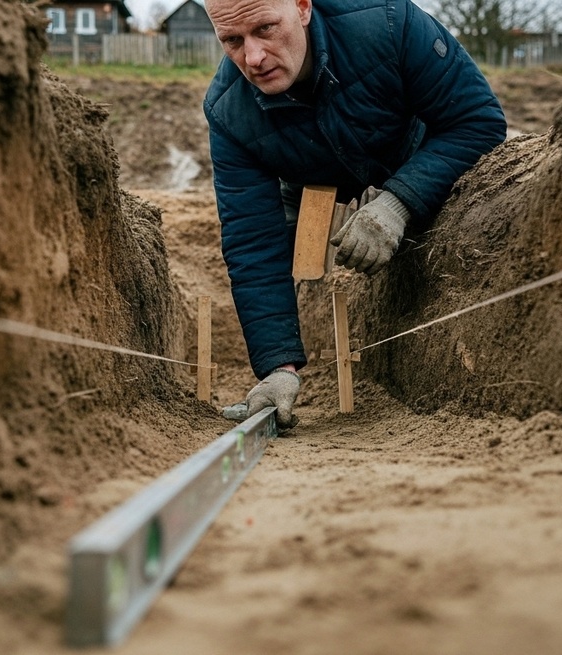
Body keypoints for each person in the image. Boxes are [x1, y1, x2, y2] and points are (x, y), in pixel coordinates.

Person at [204, 0, 506, 428]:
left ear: (303, 7)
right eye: (232, 41)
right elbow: (253, 238)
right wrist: (277, 366)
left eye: (267, 29)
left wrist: (398, 202)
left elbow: (477, 120)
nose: (252, 58)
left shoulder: (387, 22)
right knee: (287, 251)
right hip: (308, 175)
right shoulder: (228, 110)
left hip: (415, 151)